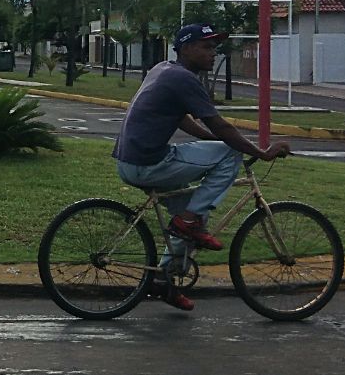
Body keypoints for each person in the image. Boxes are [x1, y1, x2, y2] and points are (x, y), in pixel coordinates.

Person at [113, 23, 290, 311]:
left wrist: (214, 142)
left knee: (196, 220)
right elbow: (219, 124)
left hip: (131, 160)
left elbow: (182, 119)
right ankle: (188, 221)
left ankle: (165, 282)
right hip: (148, 163)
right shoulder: (184, 78)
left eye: (214, 47)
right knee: (229, 156)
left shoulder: (164, 69)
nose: (213, 53)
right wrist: (261, 152)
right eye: (206, 47)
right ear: (186, 49)